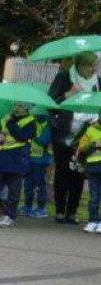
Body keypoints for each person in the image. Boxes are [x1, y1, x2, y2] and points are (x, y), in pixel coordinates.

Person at [48, 52, 100, 223]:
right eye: (90, 65)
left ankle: (72, 211)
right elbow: (50, 104)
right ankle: (60, 210)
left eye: (96, 64)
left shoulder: (98, 83)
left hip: (86, 135)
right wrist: (69, 94)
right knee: (62, 173)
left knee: (78, 172)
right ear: (79, 65)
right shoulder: (64, 77)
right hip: (63, 134)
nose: (94, 68)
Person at [0, 102, 36, 227]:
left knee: (13, 192)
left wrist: (10, 123)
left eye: (20, 106)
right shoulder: (5, 119)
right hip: (1, 158)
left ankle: (9, 216)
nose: (16, 108)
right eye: (15, 105)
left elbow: (22, 137)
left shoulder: (31, 122)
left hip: (18, 160)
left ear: (27, 108)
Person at [21, 111, 53, 218]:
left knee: (40, 185)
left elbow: (44, 140)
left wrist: (32, 135)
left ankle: (41, 209)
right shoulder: (33, 122)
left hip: (42, 160)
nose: (35, 114)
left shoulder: (49, 124)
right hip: (30, 158)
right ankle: (27, 206)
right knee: (28, 184)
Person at [75, 115, 101, 232]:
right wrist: (94, 145)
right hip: (93, 167)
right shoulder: (90, 129)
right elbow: (81, 148)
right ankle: (93, 221)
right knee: (94, 197)